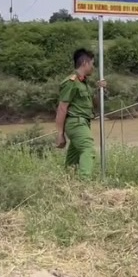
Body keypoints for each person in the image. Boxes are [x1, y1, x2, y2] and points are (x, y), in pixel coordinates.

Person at [55, 48, 106, 180]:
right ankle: (85, 183)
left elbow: (93, 105)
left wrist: (99, 90)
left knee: (73, 158)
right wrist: (60, 134)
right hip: (76, 123)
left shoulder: (84, 84)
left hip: (83, 122)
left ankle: (67, 182)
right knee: (88, 149)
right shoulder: (71, 82)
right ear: (85, 63)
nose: (93, 67)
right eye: (92, 64)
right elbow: (62, 108)